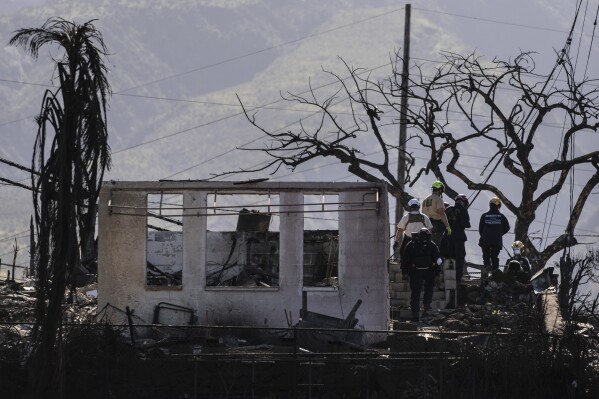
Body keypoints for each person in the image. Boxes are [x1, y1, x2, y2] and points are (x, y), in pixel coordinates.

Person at [402, 227, 443, 322]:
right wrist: (438, 272)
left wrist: (405, 272)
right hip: (429, 271)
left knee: (415, 292)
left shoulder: (411, 244)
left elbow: (404, 259)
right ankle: (427, 306)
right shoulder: (432, 245)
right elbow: (438, 260)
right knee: (429, 288)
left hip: (415, 271)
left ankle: (415, 314)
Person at [444, 194, 471, 284]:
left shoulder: (448, 209)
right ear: (464, 202)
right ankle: (457, 279)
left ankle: (447, 277)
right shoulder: (463, 210)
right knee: (459, 258)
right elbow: (466, 224)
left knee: (449, 257)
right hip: (459, 237)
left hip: (448, 237)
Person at [478, 197, 510, 272]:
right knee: (494, 257)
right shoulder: (502, 217)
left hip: (485, 240)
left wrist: (484, 235)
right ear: (498, 206)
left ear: (490, 205)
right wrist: (499, 233)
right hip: (496, 240)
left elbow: (480, 229)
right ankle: (495, 272)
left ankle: (487, 270)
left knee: (486, 256)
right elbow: (507, 227)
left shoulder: (484, 216)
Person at [422, 181, 452, 247]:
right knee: (435, 246)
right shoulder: (438, 199)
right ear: (440, 190)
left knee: (426, 245)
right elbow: (442, 214)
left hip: (425, 226)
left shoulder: (425, 200)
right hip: (435, 227)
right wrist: (447, 226)